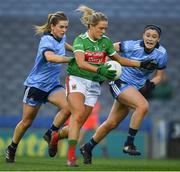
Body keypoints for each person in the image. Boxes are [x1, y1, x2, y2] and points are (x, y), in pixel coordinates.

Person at [61, 5, 158, 167]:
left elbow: (120, 60)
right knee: (77, 116)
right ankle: (71, 157)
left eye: (105, 28)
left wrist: (140, 63)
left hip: (94, 83)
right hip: (77, 78)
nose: (104, 31)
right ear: (91, 27)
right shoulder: (80, 40)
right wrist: (101, 69)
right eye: (101, 28)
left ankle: (58, 136)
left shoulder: (105, 42)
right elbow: (80, 62)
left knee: (89, 121)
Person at [80, 24, 168, 164]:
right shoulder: (132, 46)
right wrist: (105, 65)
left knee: (111, 123)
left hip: (135, 89)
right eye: (148, 35)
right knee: (143, 106)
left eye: (154, 37)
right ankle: (129, 143)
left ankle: (88, 147)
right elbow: (109, 47)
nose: (150, 39)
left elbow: (160, 76)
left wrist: (151, 84)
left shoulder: (162, 54)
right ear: (143, 35)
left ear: (159, 39)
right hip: (120, 82)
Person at [5, 11, 72, 163]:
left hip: (52, 85)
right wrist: (72, 60)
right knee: (26, 122)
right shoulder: (46, 40)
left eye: (66, 27)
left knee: (69, 106)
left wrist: (78, 51)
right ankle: (12, 147)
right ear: (52, 26)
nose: (64, 30)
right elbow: (50, 57)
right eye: (61, 27)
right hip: (36, 86)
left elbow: (64, 45)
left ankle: (51, 133)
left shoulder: (62, 37)